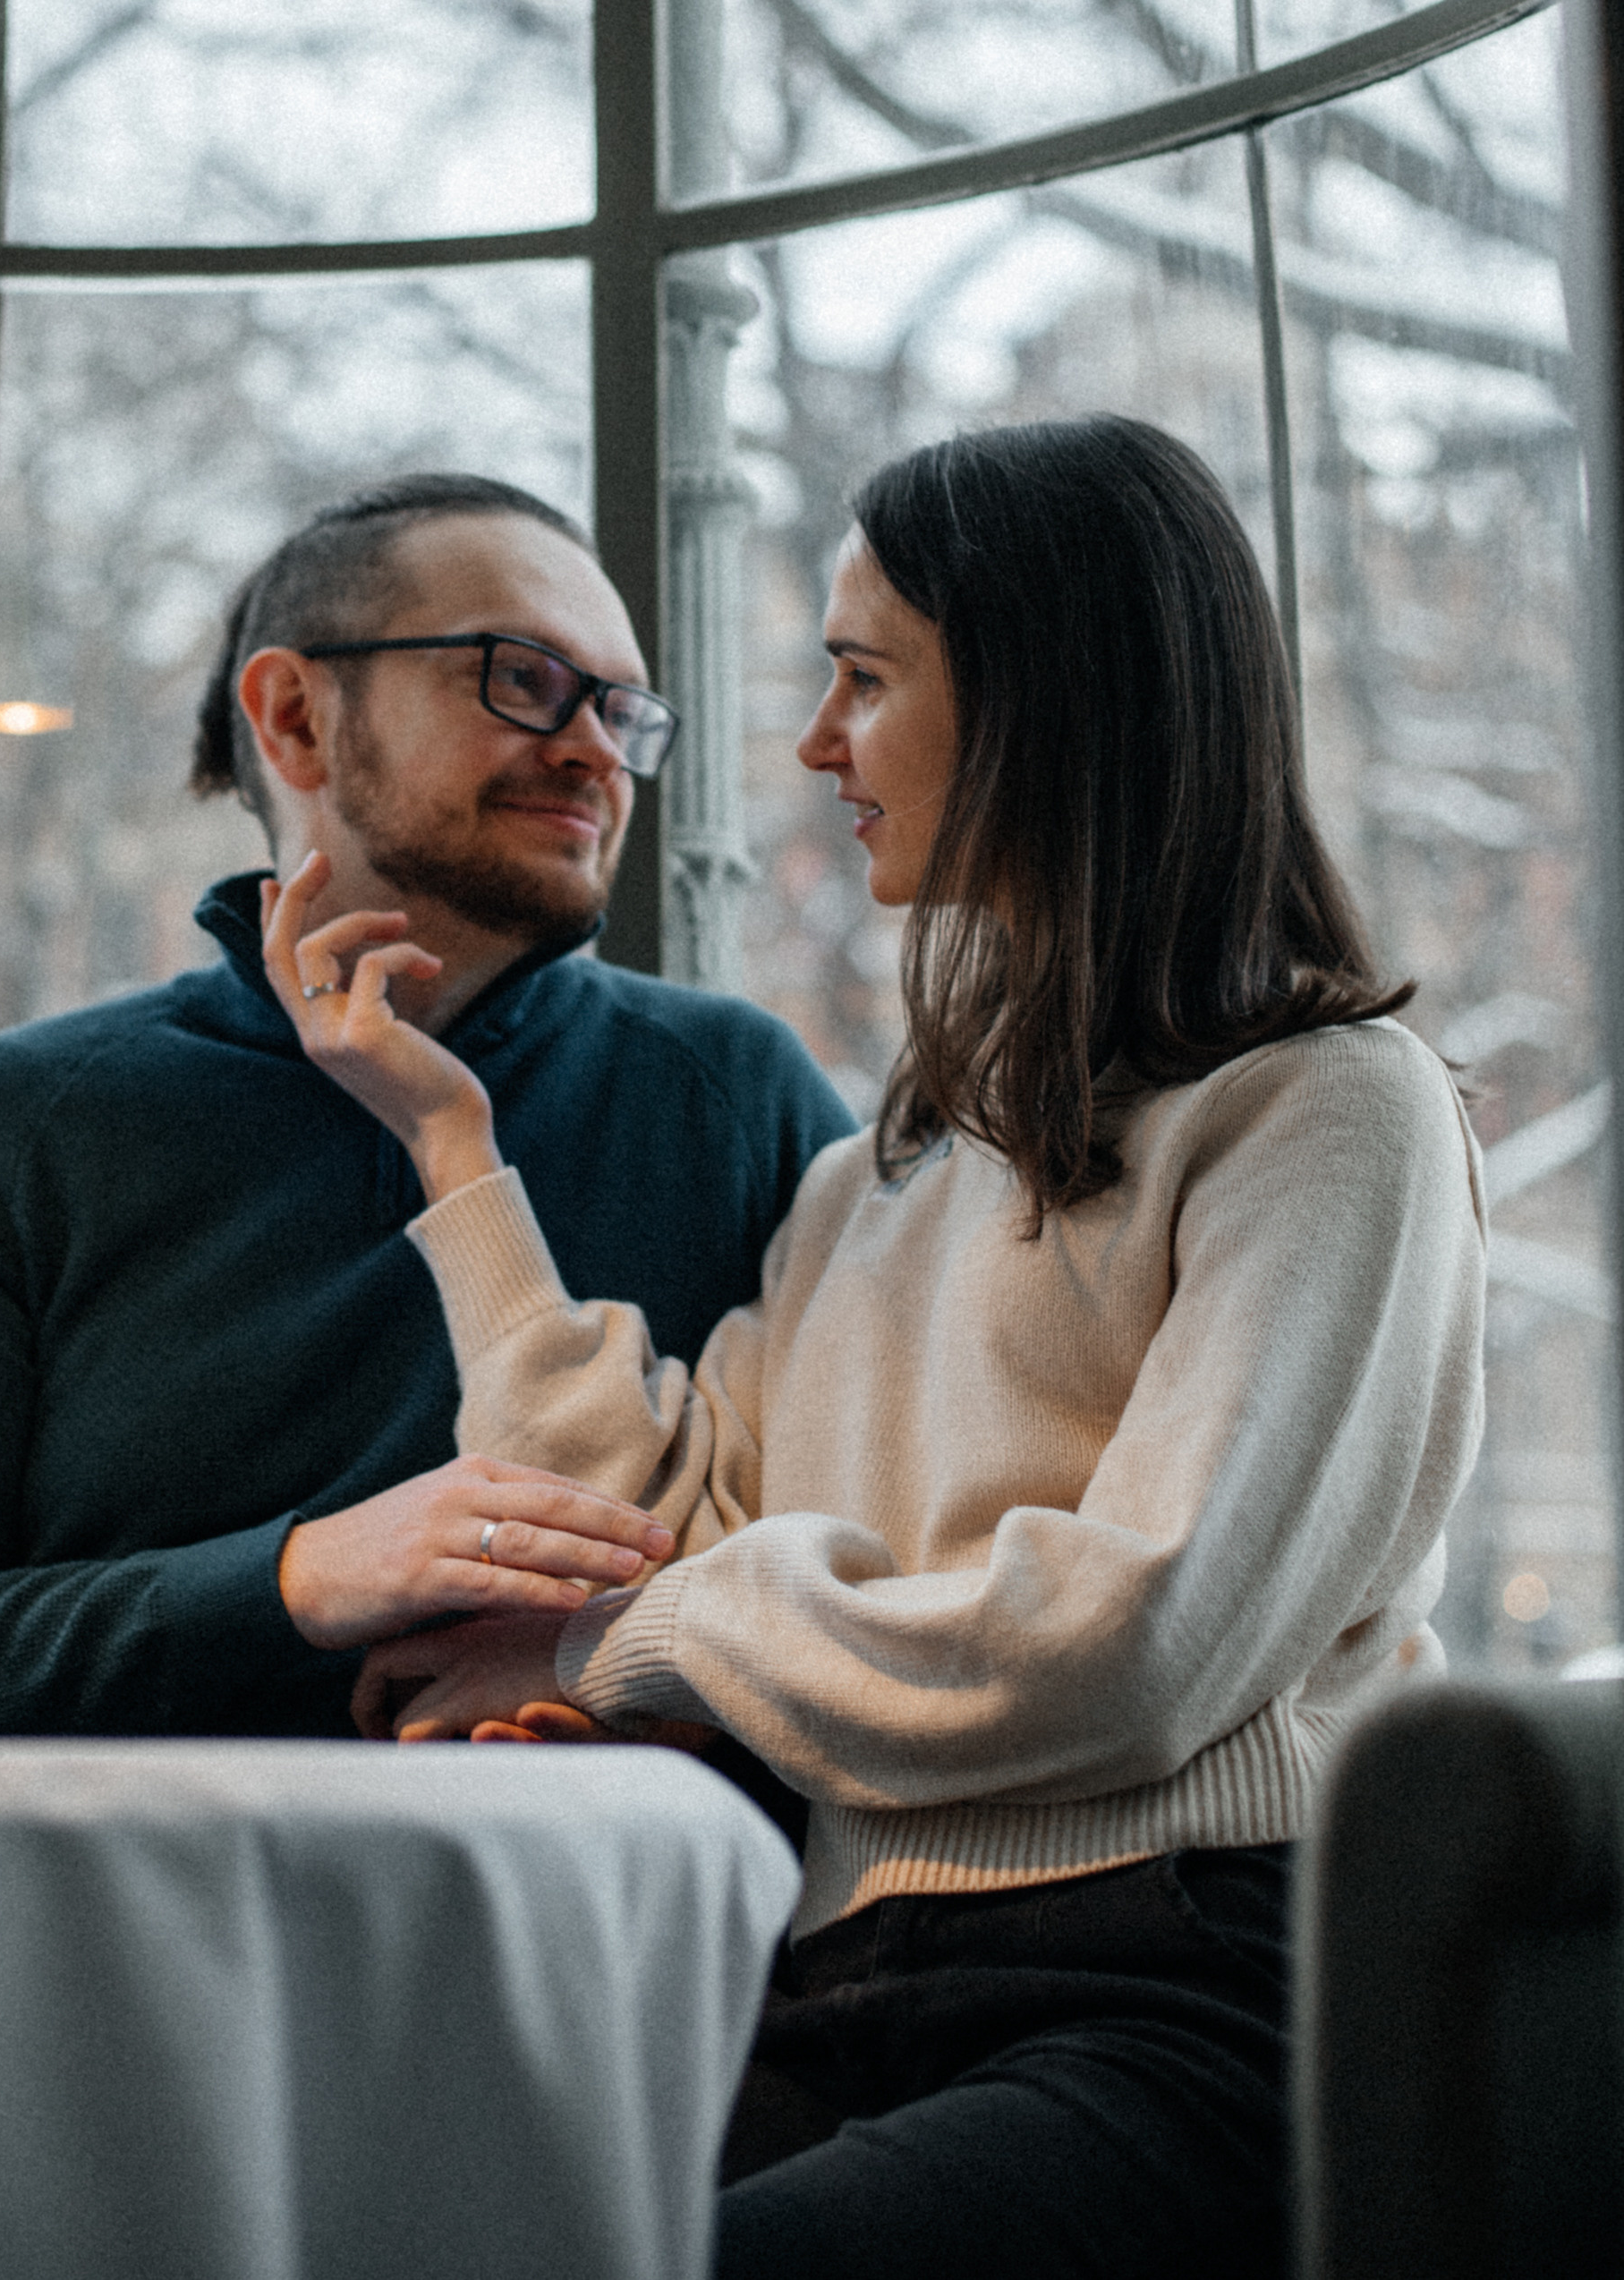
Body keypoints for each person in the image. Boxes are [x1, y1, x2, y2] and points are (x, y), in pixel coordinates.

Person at [256, 418, 1486, 2279]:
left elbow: (1129, 1648)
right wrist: (451, 1147)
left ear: (1044, 694)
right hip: (844, 1973)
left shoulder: (1325, 1109)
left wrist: (614, 1644)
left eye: (865, 677)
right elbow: (648, 1523)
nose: (816, 744)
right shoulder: (877, 1176)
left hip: (1198, 1976)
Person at [0, 474, 852, 1736]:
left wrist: (654, 1686)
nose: (594, 747)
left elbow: (888, 1569)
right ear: (295, 719)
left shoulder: (735, 1096)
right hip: (134, 1874)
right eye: (525, 679)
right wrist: (301, 1579)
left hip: (631, 1876)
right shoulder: (7, 1126)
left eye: (622, 708)